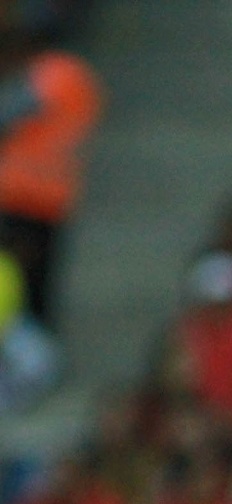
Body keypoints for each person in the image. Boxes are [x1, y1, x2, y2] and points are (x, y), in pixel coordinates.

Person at [0, 23, 100, 329]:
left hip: (21, 195)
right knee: (40, 278)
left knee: (16, 275)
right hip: (55, 195)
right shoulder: (81, 77)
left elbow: (11, 110)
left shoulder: (55, 72)